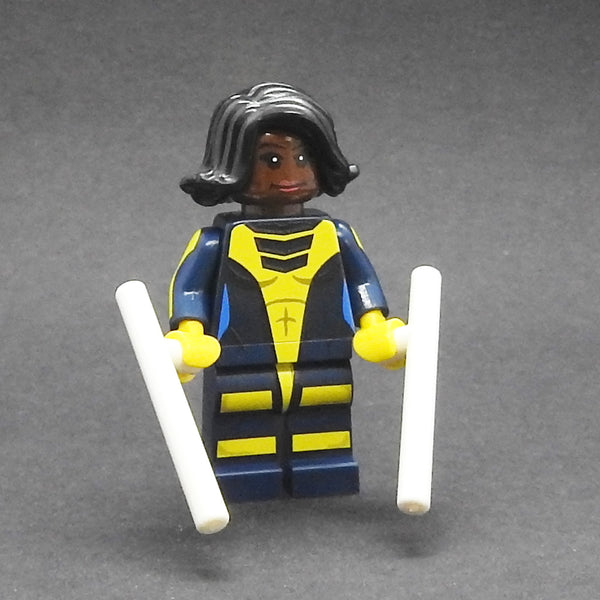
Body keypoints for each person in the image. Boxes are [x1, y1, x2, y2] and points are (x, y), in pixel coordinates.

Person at [167, 83, 404, 502]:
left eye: (303, 158)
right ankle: (244, 472)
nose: (290, 174)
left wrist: (375, 325)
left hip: (324, 351)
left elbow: (361, 281)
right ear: (233, 164)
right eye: (271, 160)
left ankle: (323, 469)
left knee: (324, 409)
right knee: (244, 415)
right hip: (241, 355)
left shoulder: (335, 234)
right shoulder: (216, 242)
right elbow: (191, 288)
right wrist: (188, 333)